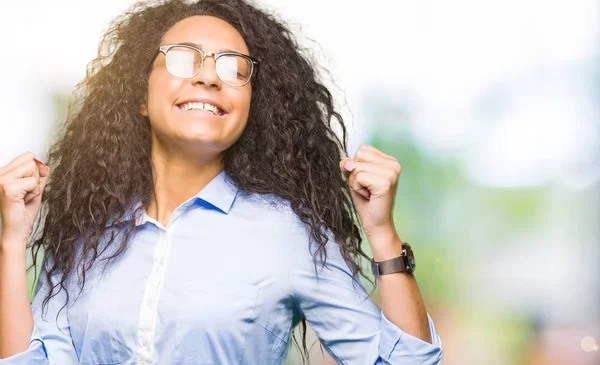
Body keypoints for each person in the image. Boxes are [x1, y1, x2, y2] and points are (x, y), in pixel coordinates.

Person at [0, 0, 443, 363]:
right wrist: (11, 241)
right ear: (139, 95)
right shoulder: (86, 227)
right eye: (182, 58)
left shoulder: (288, 234)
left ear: (253, 104)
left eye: (233, 68)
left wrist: (382, 234)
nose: (209, 75)